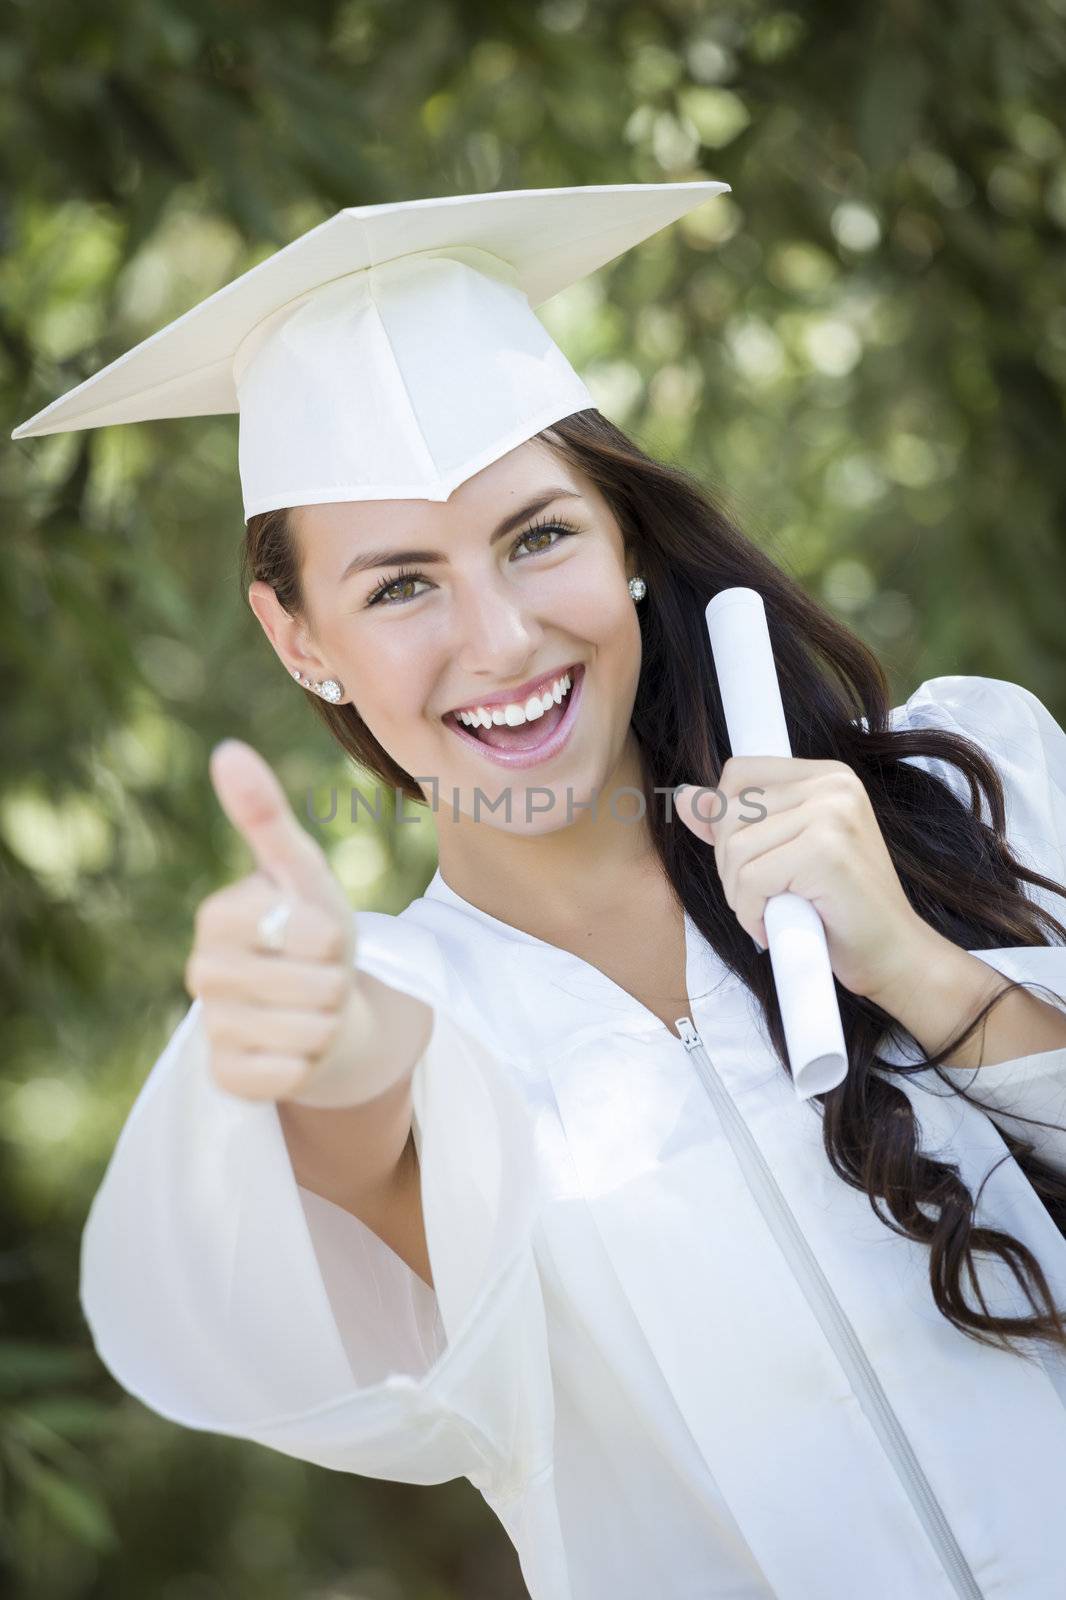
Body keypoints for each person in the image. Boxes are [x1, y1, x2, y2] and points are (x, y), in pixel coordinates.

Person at [12, 182, 1066, 1600]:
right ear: (295, 634)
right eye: (398, 587)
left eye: (536, 537)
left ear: (623, 539)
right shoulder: (411, 1017)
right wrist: (333, 1056)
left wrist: (926, 976)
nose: (500, 638)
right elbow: (363, 1190)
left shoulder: (966, 796)